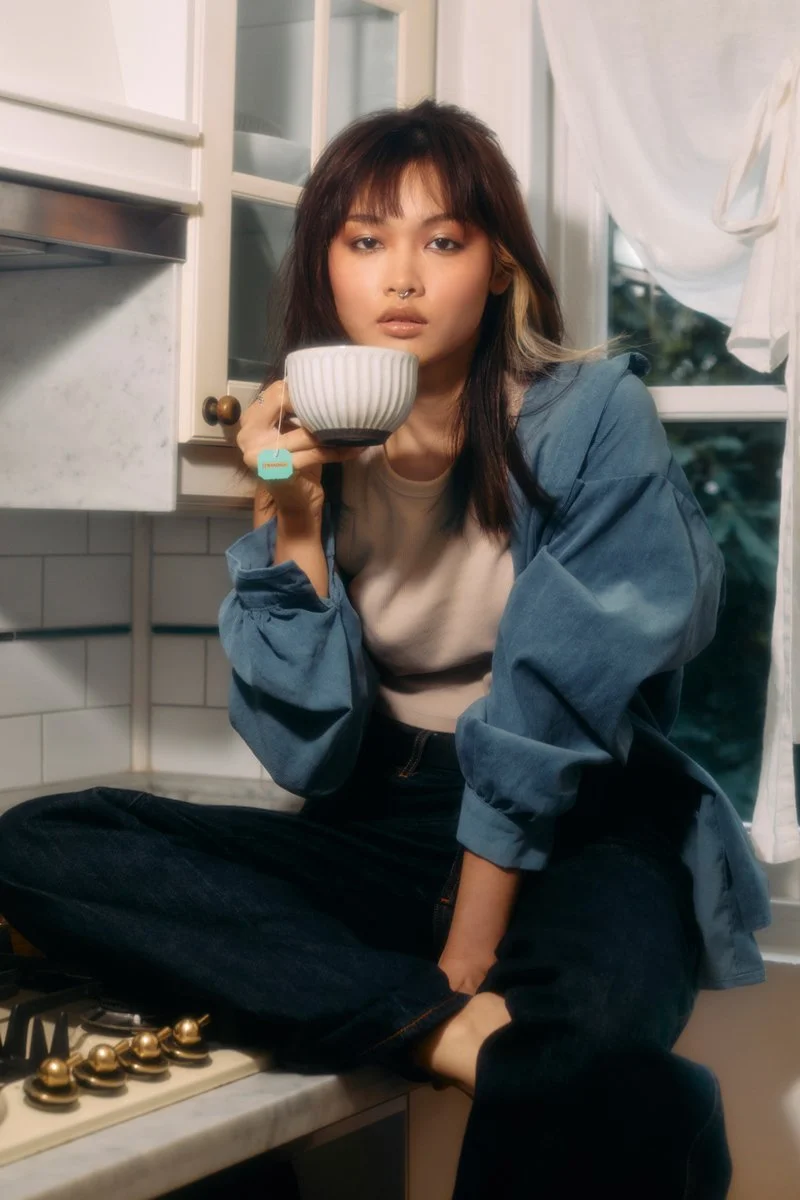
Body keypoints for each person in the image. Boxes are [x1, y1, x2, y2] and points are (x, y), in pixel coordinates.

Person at [0, 101, 771, 1198]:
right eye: (365, 241)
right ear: (326, 266)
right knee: (39, 841)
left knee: (590, 1037)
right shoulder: (312, 442)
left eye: (441, 241)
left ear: (498, 264)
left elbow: (546, 705)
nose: (400, 277)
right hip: (382, 816)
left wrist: (464, 950)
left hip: (579, 820)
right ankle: (455, 1039)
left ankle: (463, 1031)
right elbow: (308, 759)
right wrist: (292, 505)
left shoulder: (591, 415)